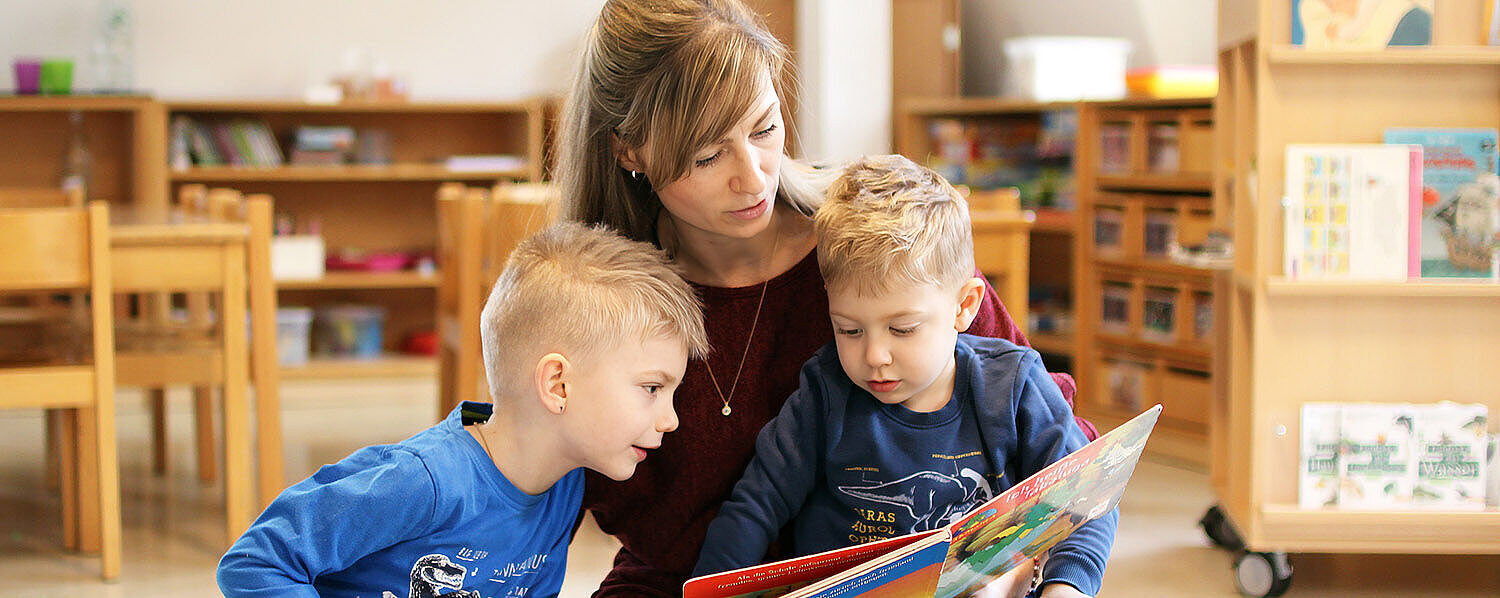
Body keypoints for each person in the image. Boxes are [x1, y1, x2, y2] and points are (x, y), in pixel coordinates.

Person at [555, 1, 1089, 595]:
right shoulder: (598, 299)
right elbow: (536, 486)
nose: (754, 177)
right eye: (707, 155)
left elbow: (1059, 443)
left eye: (763, 129)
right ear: (629, 152)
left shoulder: (867, 241)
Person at [692, 155, 1113, 598]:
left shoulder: (1012, 385)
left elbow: (1086, 497)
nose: (874, 355)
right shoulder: (825, 392)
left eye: (902, 329)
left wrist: (1067, 586)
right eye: (849, 329)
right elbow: (756, 506)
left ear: (965, 306)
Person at [216, 222, 708, 598]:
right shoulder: (424, 481)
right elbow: (256, 560)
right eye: (651, 389)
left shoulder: (566, 489)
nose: (671, 419)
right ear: (558, 385)